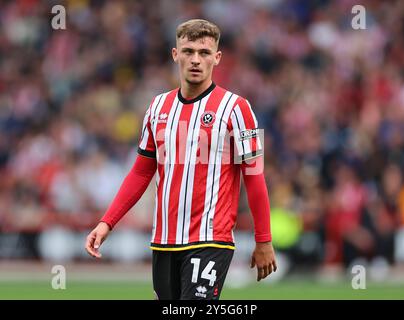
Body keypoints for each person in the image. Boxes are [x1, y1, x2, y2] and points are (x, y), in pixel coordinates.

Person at [85, 19, 277, 300]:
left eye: (204, 52)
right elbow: (140, 173)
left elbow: (255, 176)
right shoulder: (157, 107)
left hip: (211, 239)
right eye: (188, 51)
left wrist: (264, 240)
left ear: (217, 58)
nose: (196, 60)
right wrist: (107, 222)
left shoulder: (238, 108)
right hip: (163, 241)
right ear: (175, 55)